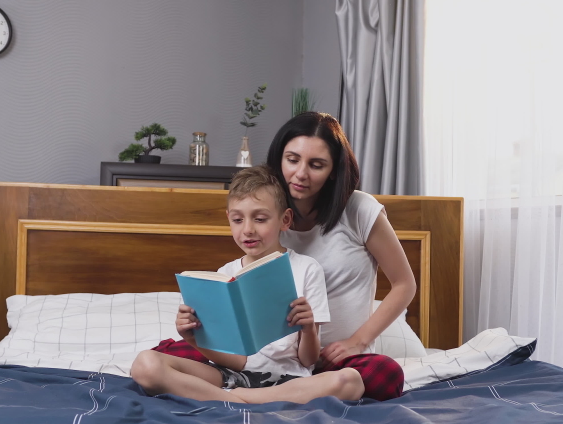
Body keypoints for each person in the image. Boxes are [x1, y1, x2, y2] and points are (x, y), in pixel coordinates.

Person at [152, 112, 415, 401]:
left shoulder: (359, 210)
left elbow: (404, 284)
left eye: (316, 165)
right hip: (263, 359)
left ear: (334, 170)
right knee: (162, 353)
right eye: (292, 160)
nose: (301, 173)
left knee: (387, 376)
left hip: (334, 358)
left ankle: (241, 395)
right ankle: (263, 392)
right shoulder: (269, 213)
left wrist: (357, 342)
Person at [131, 165, 364, 404]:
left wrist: (307, 328)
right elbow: (235, 360)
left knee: (351, 381)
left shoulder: (306, 268)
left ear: (285, 220)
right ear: (228, 220)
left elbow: (308, 361)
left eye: (260, 219)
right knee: (145, 365)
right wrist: (192, 338)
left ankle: (231, 399)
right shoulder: (225, 274)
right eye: (238, 220)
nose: (248, 230)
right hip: (231, 375)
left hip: (289, 379)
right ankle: (243, 399)